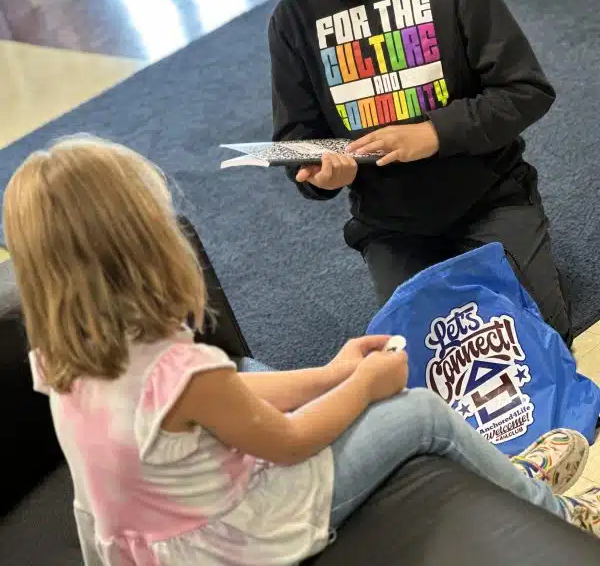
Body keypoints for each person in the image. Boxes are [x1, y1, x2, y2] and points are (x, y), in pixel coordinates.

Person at [3, 136, 600, 565]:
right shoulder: (183, 372)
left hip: (154, 539)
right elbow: (287, 442)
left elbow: (221, 392)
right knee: (421, 413)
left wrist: (331, 373)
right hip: (236, 540)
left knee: (258, 372)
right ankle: (554, 509)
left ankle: (506, 476)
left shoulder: (61, 355)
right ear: (148, 248)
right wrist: (363, 386)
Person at [251, 0, 572, 347]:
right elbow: (295, 137)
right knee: (422, 354)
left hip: (488, 196)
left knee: (538, 337)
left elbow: (526, 90)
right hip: (390, 224)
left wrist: (432, 134)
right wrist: (322, 176)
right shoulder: (292, 21)